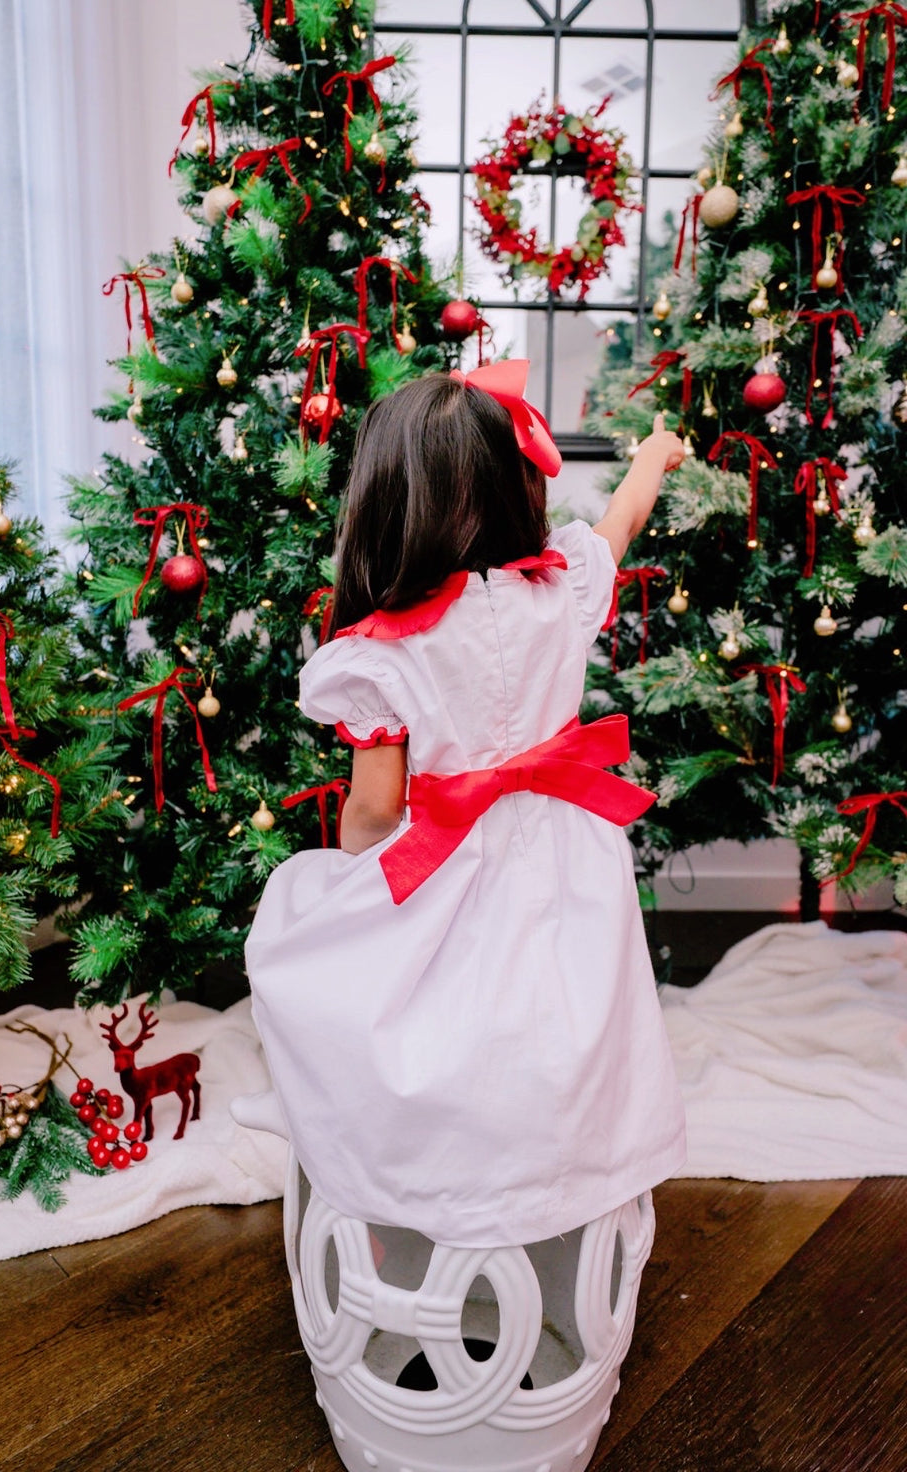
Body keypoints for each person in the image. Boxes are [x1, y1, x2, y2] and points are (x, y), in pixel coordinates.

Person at [246, 361, 687, 1250]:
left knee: (416, 996)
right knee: (557, 1009)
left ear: (387, 504)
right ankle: (560, 1169)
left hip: (450, 859)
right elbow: (622, 520)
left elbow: (375, 809)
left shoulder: (383, 652)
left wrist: (356, 874)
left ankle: (439, 1184)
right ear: (518, 482)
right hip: (569, 851)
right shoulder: (560, 590)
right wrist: (656, 456)